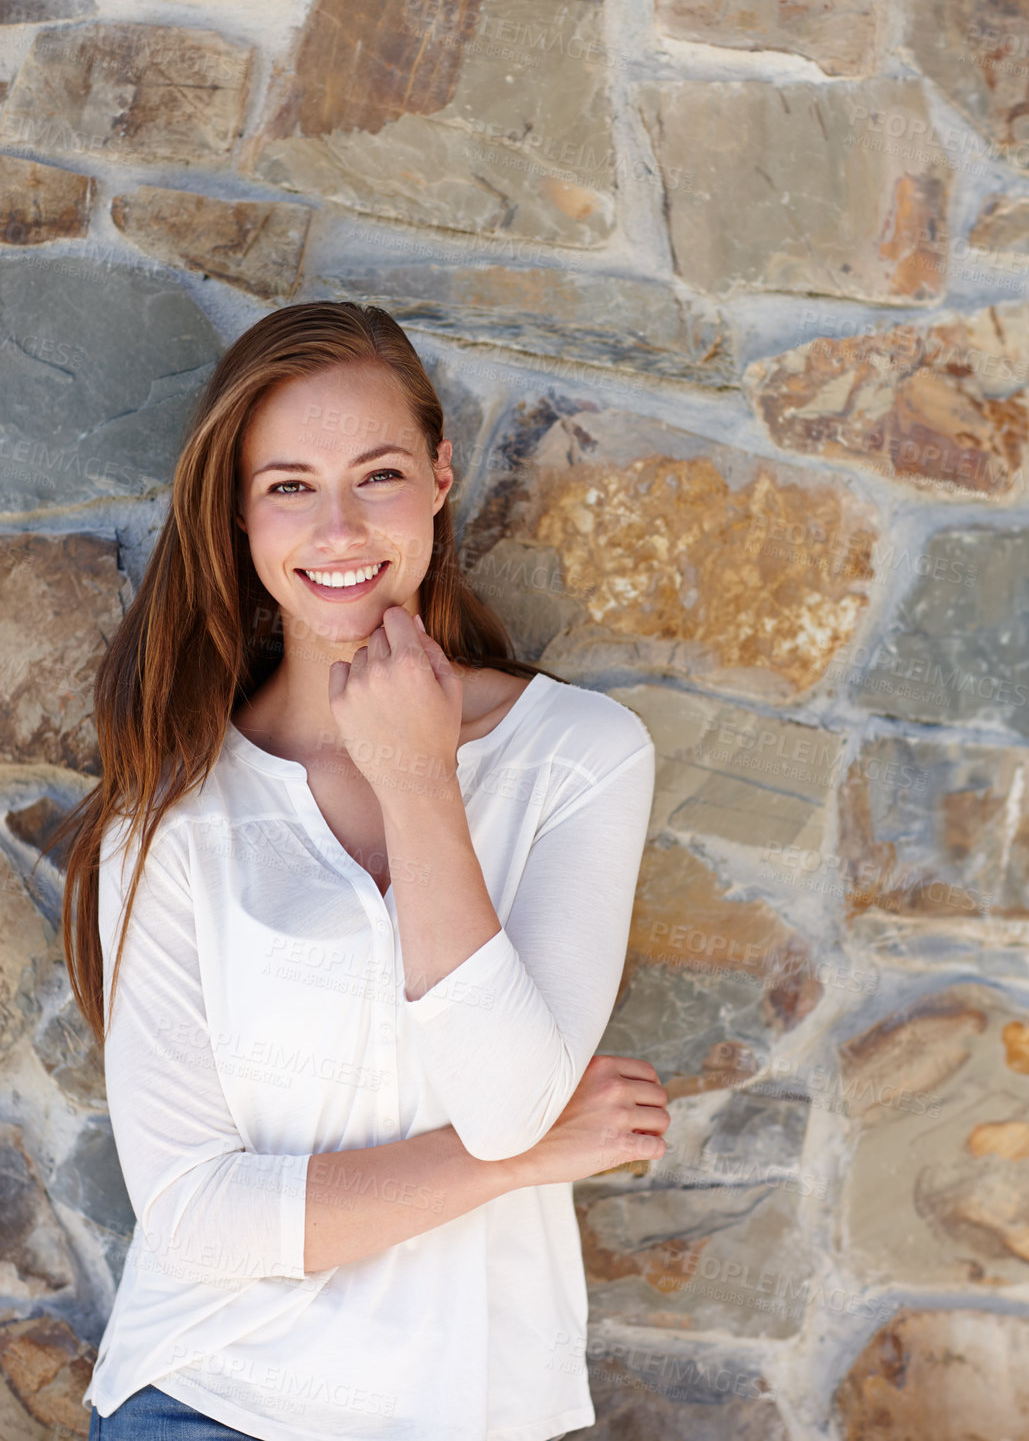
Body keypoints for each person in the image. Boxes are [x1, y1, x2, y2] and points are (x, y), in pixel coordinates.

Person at [46, 301, 670, 1440]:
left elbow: (508, 1101)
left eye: (375, 474)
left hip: (471, 1409)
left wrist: (417, 778)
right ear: (238, 516)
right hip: (207, 1398)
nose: (338, 528)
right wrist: (506, 1165)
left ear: (438, 476)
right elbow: (194, 1216)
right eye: (288, 485)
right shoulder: (175, 809)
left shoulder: (576, 756)